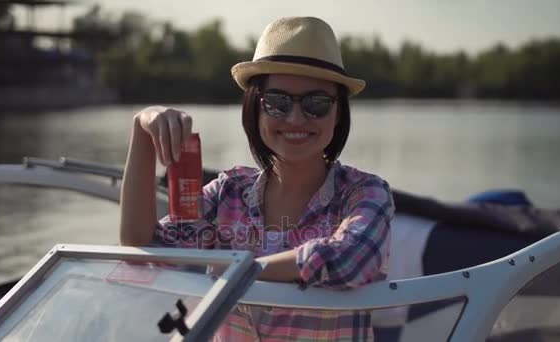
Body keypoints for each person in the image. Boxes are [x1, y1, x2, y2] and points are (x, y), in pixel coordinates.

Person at [120, 16, 394, 341]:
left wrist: (236, 269)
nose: (295, 118)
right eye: (276, 103)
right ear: (255, 109)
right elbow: (143, 248)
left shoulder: (365, 193)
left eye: (317, 104)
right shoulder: (228, 192)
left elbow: (348, 259)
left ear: (339, 114)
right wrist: (142, 130)